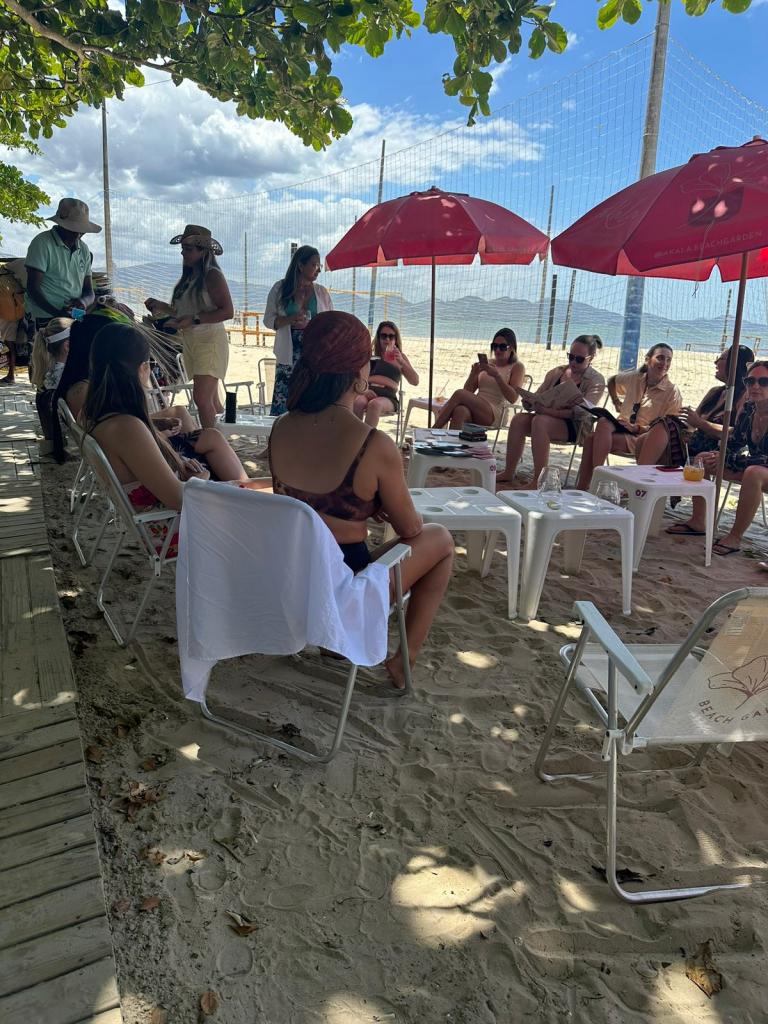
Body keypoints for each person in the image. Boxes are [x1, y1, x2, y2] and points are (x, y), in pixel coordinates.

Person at [267, 310, 454, 689]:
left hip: (292, 588)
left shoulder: (281, 427)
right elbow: (410, 529)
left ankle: (341, 645)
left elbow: (303, 503)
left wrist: (362, 502)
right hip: (341, 601)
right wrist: (373, 504)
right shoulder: (373, 444)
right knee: (440, 539)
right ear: (359, 374)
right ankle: (404, 660)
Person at [85, 324, 248, 535]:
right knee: (254, 498)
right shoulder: (127, 427)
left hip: (157, 521)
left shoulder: (96, 415)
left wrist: (179, 467)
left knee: (251, 491)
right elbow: (179, 499)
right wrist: (202, 476)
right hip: (174, 529)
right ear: (143, 368)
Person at [666, 360, 768, 556]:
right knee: (703, 459)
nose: (755, 386)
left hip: (758, 470)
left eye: (764, 382)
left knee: (753, 473)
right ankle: (698, 521)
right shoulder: (749, 409)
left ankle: (735, 537)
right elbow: (735, 442)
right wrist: (719, 454)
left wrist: (730, 460)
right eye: (750, 381)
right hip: (755, 468)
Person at [147, 225, 233, 429]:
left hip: (210, 342)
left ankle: (210, 439)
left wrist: (194, 320)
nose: (183, 253)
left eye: (188, 248)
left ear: (203, 251)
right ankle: (220, 437)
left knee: (202, 399)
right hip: (193, 342)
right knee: (211, 401)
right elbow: (183, 312)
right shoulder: (190, 277)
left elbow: (228, 311)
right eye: (183, 248)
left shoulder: (212, 275)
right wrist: (161, 307)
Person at [496, 334, 605, 486]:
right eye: (570, 357)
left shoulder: (596, 380)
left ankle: (539, 480)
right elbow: (539, 395)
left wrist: (549, 411)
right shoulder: (557, 372)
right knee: (518, 420)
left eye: (579, 359)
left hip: (576, 425)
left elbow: (583, 412)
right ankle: (509, 471)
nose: (573, 362)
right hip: (546, 416)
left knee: (540, 421)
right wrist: (530, 401)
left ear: (591, 358)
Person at [576, 342, 682, 491]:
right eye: (660, 358)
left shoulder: (672, 391)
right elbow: (612, 381)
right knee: (604, 421)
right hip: (621, 427)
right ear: (647, 359)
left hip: (642, 436)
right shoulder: (636, 378)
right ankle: (594, 481)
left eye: (668, 359)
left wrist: (637, 428)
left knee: (591, 439)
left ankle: (588, 485)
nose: (664, 363)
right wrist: (616, 401)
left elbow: (669, 428)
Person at [263, 245, 333, 415]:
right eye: (314, 265)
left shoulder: (321, 292)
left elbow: (331, 321)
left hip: (314, 352)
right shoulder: (280, 289)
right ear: (300, 265)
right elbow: (268, 320)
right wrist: (290, 319)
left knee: (310, 398)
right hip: (288, 350)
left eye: (319, 266)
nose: (318, 270)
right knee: (284, 399)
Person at [24, 199, 100, 332]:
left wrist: (83, 302)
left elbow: (89, 291)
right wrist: (58, 314)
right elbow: (32, 289)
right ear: (61, 225)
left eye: (81, 231)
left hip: (73, 314)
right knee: (47, 345)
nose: (78, 235)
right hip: (44, 315)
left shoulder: (83, 249)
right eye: (73, 230)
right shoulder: (42, 243)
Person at [433, 328, 525, 430]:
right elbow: (468, 391)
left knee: (459, 393)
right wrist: (473, 374)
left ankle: (433, 429)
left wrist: (497, 376)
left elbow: (513, 398)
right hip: (478, 407)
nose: (497, 350)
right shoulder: (488, 363)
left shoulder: (517, 366)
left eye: (502, 347)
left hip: (497, 411)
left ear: (511, 348)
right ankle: (450, 440)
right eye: (494, 346)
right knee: (460, 411)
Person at [354, 321, 419, 427]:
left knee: (375, 404)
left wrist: (402, 362)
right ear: (378, 338)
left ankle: (367, 436)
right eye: (383, 336)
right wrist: (365, 390)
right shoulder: (371, 356)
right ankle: (354, 434)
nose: (387, 339)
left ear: (396, 339)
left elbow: (415, 381)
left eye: (391, 336)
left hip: (388, 396)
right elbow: (358, 377)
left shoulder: (400, 357)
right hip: (368, 390)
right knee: (358, 402)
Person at [29, 317, 72, 447]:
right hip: (71, 446)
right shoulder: (68, 378)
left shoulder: (49, 374)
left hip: (59, 444)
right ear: (67, 346)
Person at [0, 258, 28, 384]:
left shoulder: (7, 268)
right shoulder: (21, 266)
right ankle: (11, 375)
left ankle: (10, 375)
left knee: (7, 343)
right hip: (15, 310)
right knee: (9, 343)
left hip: (5, 311)